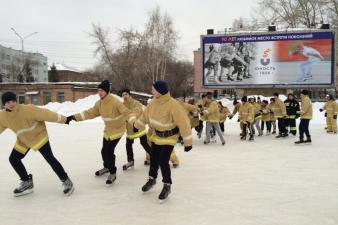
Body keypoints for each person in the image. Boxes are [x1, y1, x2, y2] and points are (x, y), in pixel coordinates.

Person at [0, 92, 74, 196]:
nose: (11, 104)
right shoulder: (3, 116)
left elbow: (47, 114)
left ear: (16, 101)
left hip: (39, 136)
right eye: (8, 102)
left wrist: (65, 119)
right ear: (4, 104)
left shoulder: (28, 109)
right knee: (13, 159)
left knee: (50, 158)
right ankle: (27, 182)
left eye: (13, 101)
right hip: (24, 140)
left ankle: (66, 181)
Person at [134, 80, 192, 201]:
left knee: (163, 161)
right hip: (157, 136)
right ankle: (152, 179)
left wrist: (188, 142)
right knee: (154, 158)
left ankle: (167, 185)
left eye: (153, 90)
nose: (151, 91)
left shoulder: (174, 105)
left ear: (159, 91)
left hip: (170, 138)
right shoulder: (152, 103)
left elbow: (184, 123)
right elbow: (144, 116)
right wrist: (137, 125)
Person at [69, 80, 136, 185]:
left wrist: (133, 122)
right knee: (103, 151)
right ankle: (107, 167)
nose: (99, 92)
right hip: (108, 130)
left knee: (109, 151)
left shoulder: (115, 102)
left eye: (102, 90)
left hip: (118, 130)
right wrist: (74, 117)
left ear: (107, 91)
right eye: (98, 90)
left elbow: (127, 113)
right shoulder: (99, 103)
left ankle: (113, 172)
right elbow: (89, 113)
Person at [121, 89, 152, 170]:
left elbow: (137, 112)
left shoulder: (135, 103)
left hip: (138, 127)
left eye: (126, 94)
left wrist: (131, 117)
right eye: (123, 95)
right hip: (129, 129)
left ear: (129, 95)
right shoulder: (122, 105)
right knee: (128, 145)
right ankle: (130, 161)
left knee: (144, 143)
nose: (124, 96)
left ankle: (155, 158)